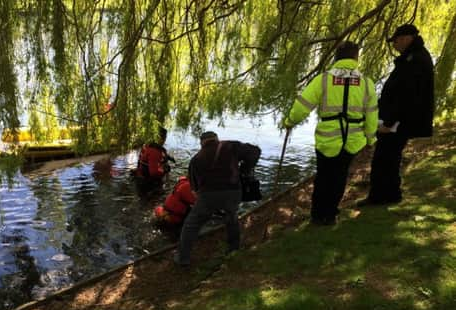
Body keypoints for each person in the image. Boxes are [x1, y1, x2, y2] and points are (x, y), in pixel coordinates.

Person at [284, 41, 378, 225]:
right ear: (355, 58)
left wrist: (289, 122)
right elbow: (372, 113)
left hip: (327, 140)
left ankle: (318, 216)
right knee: (340, 176)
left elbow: (303, 105)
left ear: (336, 57)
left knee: (323, 177)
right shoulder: (366, 83)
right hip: (352, 140)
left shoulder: (324, 79)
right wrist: (370, 138)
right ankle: (331, 214)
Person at [359, 24, 434, 206]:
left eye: (396, 40)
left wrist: (390, 122)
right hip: (399, 119)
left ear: (407, 38)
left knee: (383, 158)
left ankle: (378, 197)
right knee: (389, 158)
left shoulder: (415, 60)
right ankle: (391, 194)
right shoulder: (414, 57)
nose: (394, 45)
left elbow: (407, 96)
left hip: (399, 121)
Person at [174, 131, 261, 267]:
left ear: (201, 143)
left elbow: (194, 189)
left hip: (208, 196)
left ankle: (183, 259)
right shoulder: (231, 146)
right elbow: (255, 151)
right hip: (233, 192)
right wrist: (245, 170)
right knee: (232, 217)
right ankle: (233, 250)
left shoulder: (196, 160)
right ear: (216, 139)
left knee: (191, 225)